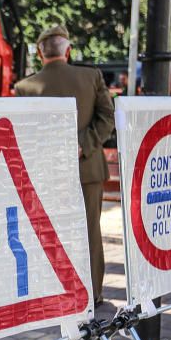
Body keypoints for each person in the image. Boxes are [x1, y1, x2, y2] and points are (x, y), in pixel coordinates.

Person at [14, 24, 114, 306]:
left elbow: (25, 133)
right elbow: (107, 117)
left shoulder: (25, 88)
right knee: (90, 233)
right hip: (87, 169)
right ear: (68, 50)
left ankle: (52, 291)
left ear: (39, 53)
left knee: (50, 232)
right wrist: (84, 144)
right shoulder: (91, 76)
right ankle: (92, 293)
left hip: (46, 173)